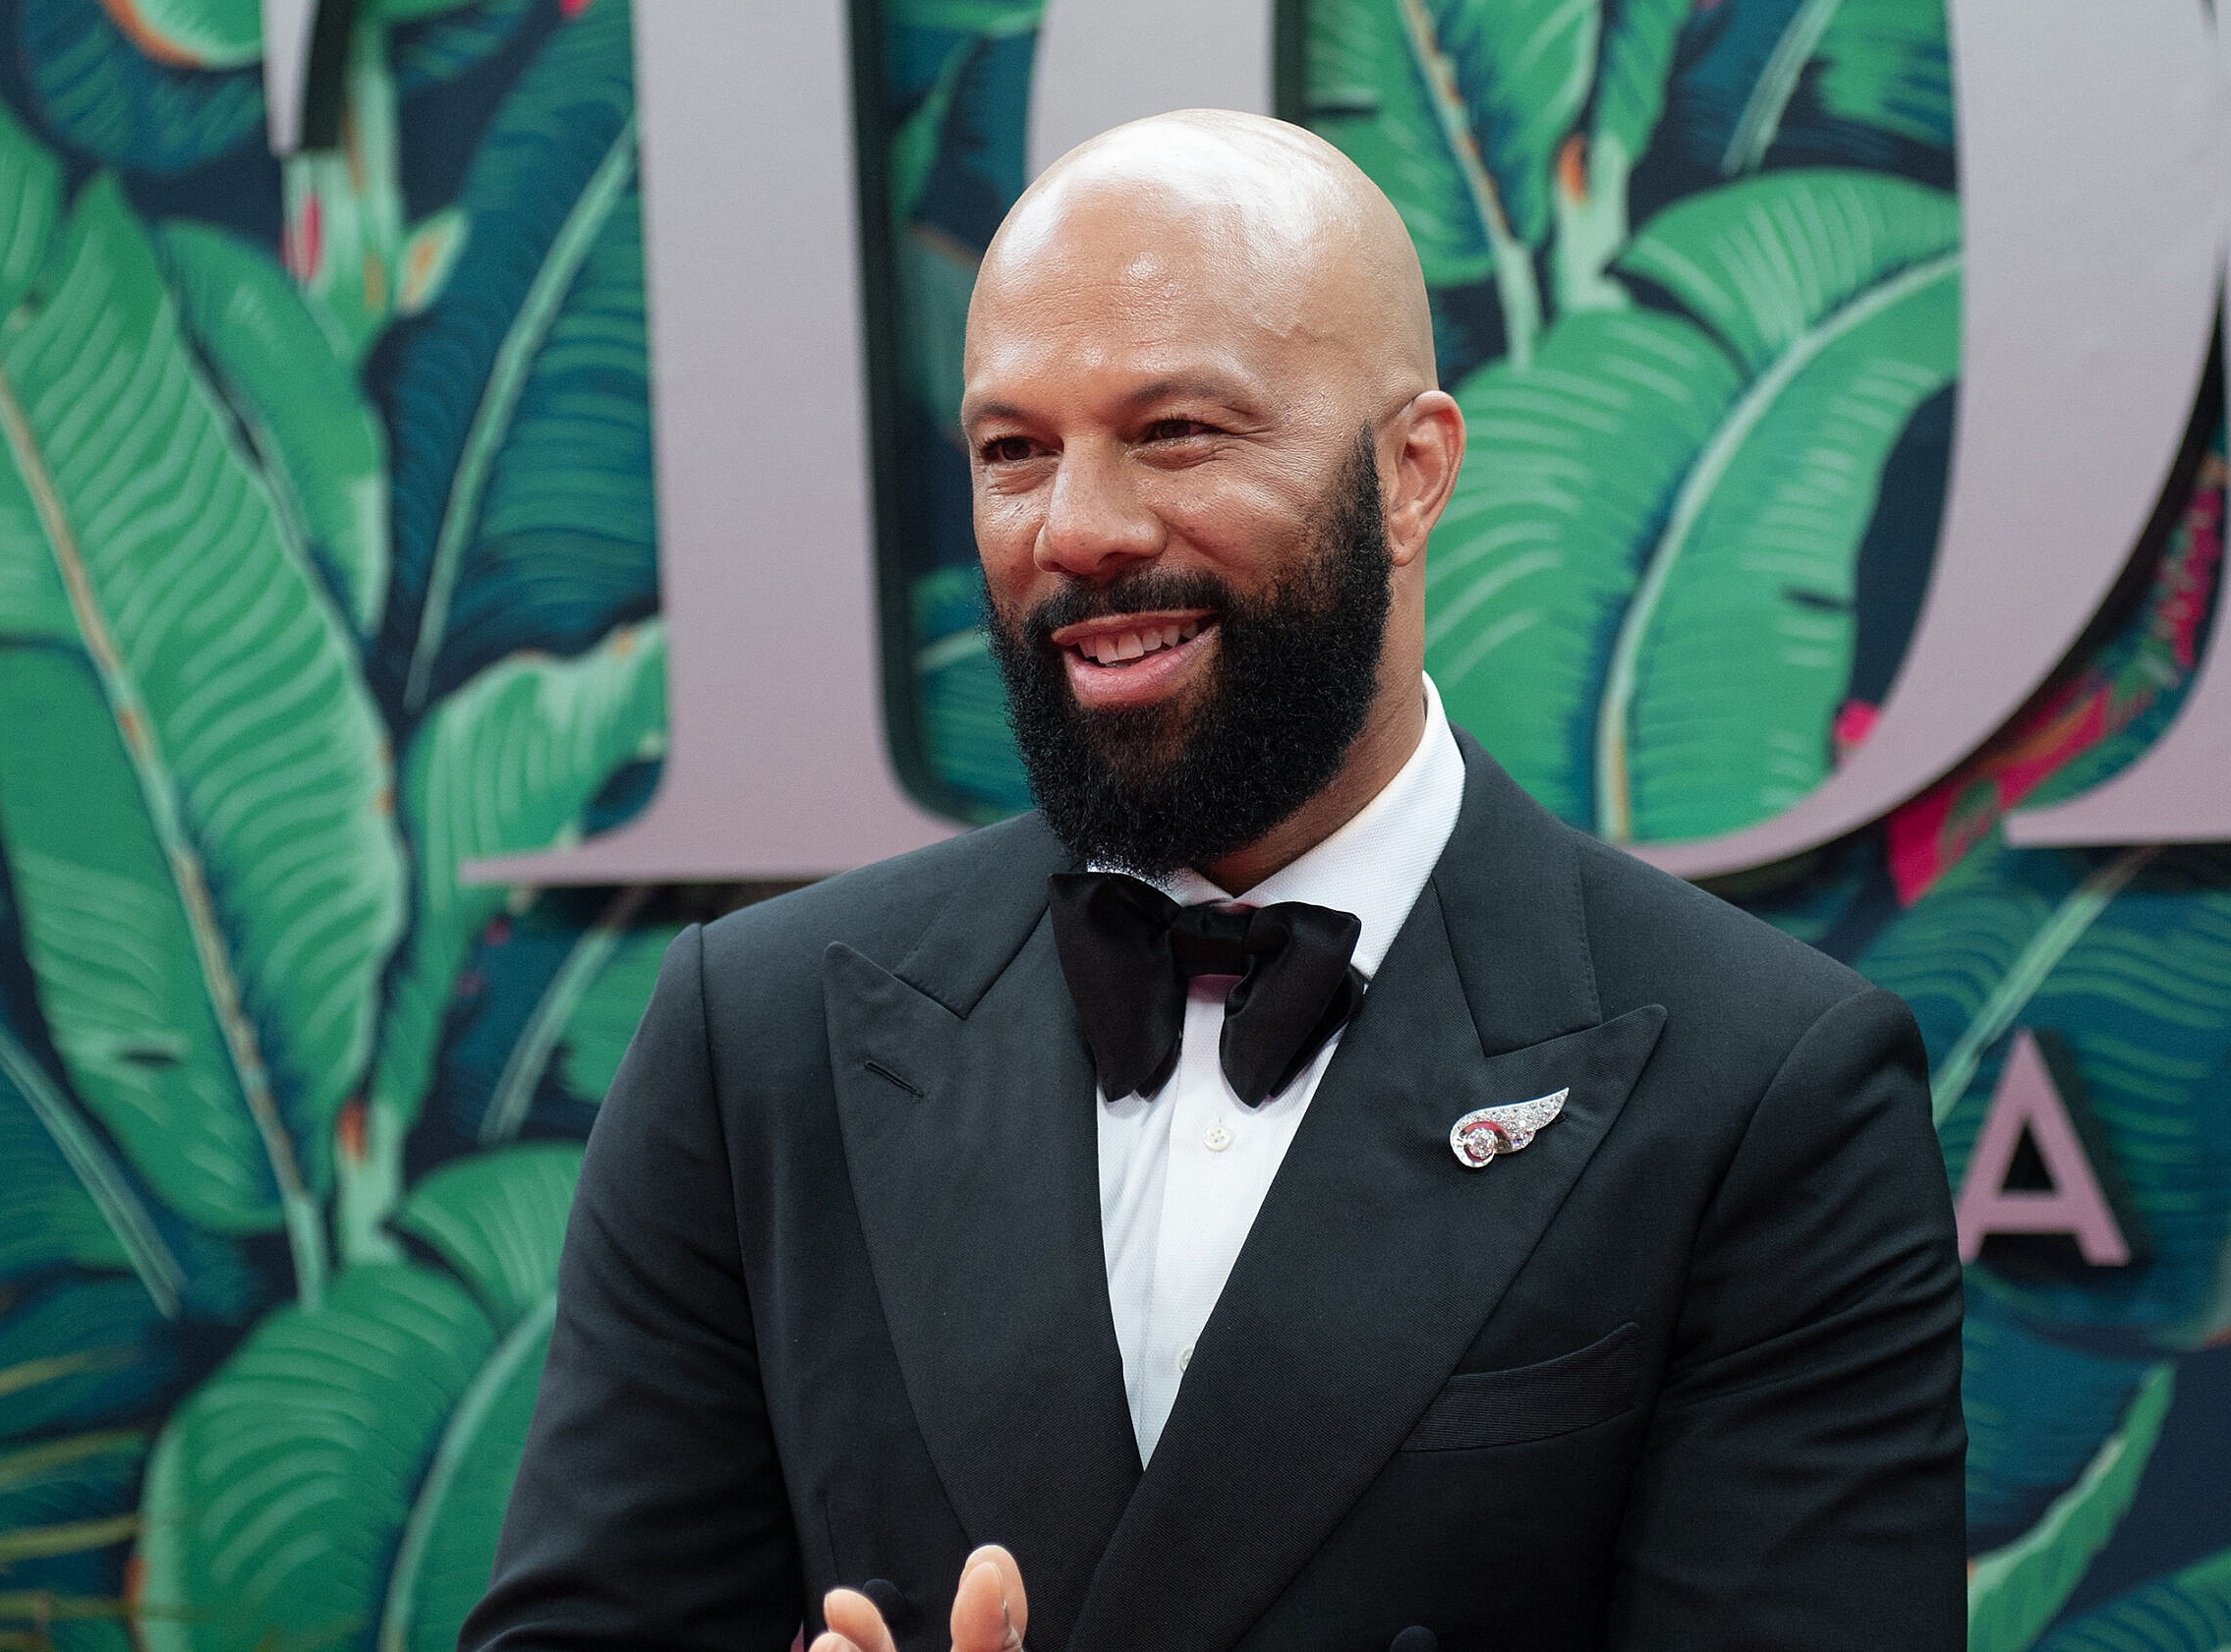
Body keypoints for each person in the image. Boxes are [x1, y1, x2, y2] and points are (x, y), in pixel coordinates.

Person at [461, 110, 1964, 1652]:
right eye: (1013, 452)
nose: (1082, 530)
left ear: (1410, 475)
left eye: (1175, 432)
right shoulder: (756, 1038)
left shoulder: (1767, 1087)